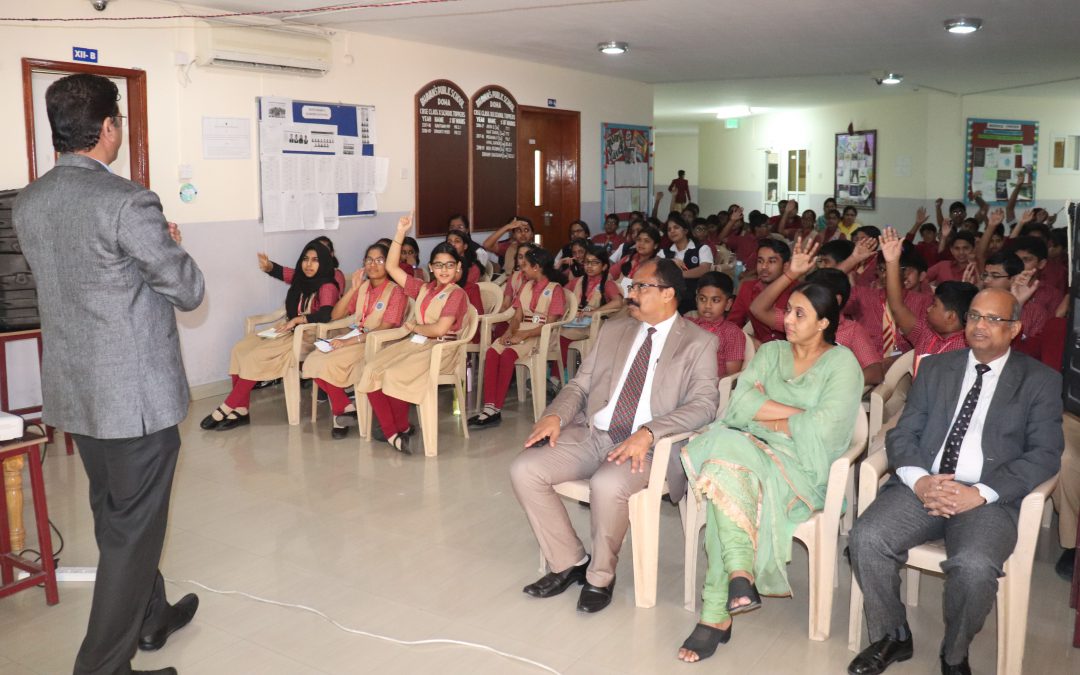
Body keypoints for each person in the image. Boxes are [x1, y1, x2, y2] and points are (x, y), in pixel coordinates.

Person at [13, 72, 205, 675]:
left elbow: (86, 280)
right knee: (132, 529)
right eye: (119, 122)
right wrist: (172, 244)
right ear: (107, 129)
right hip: (136, 400)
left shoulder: (29, 200)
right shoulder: (128, 200)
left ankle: (151, 615)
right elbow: (187, 289)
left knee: (116, 514)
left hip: (75, 392)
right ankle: (100, 668)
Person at [847, 288, 1063, 675]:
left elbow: (1045, 454)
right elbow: (903, 433)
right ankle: (893, 633)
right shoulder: (936, 368)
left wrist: (979, 493)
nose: (980, 326)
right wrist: (919, 482)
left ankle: (954, 652)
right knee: (867, 537)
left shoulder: (1039, 381)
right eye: (974, 316)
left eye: (992, 319)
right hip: (924, 485)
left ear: (1014, 328)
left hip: (988, 498)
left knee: (975, 566)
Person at [510, 259, 719, 614]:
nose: (631, 293)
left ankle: (600, 576)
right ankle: (569, 561)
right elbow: (581, 383)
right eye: (631, 286)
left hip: (648, 447)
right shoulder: (615, 329)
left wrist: (650, 432)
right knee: (525, 469)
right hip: (596, 433)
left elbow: (704, 405)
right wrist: (554, 415)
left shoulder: (699, 342)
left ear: (668, 294)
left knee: (606, 485)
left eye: (640, 287)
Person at [678, 282, 863, 662]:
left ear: (824, 322)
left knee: (722, 474)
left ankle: (717, 611)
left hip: (802, 466)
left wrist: (769, 419)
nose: (787, 320)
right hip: (748, 449)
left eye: (800, 314)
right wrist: (799, 417)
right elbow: (739, 403)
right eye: (788, 310)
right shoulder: (772, 351)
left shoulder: (842, 363)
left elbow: (828, 428)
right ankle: (738, 577)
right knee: (728, 459)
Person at [351, 214, 470, 454]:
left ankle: (396, 429)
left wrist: (414, 327)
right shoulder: (424, 288)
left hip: (440, 350)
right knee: (372, 368)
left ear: (458, 267)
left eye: (449, 265)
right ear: (430, 268)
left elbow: (439, 330)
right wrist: (400, 232)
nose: (444, 270)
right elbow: (392, 267)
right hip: (417, 344)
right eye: (438, 265)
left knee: (394, 373)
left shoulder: (456, 294)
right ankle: (395, 431)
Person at [201, 240, 341, 431]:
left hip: (309, 337)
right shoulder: (301, 278)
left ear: (324, 261)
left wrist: (298, 320)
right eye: (306, 259)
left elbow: (326, 315)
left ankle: (227, 406)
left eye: (315, 260)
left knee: (255, 357)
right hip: (289, 330)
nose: (309, 264)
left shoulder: (328, 285)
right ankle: (241, 410)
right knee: (240, 349)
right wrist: (269, 266)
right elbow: (284, 272)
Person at [302, 244, 408, 440]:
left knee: (327, 363)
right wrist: (354, 289)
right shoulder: (364, 288)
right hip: (356, 337)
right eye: (369, 260)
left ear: (389, 263)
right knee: (313, 359)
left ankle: (341, 413)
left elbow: (386, 328)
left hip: (379, 343)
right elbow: (336, 314)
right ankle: (345, 407)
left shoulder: (396, 291)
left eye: (379, 260)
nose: (373, 265)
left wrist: (349, 342)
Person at [748, 237, 884, 386]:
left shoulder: (852, 331)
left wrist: (837, 382)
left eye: (814, 295)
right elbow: (757, 309)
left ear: (836, 300)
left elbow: (876, 371)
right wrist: (791, 274)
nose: (807, 299)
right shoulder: (799, 320)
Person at [470, 248, 568, 428]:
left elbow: (550, 324)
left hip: (541, 334)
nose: (522, 270)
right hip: (521, 330)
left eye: (525, 266)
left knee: (507, 355)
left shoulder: (555, 290)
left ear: (536, 267)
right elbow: (517, 317)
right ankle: (489, 406)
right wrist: (509, 333)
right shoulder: (525, 287)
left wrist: (524, 334)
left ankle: (496, 408)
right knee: (493, 351)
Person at [560, 244, 624, 367]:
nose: (589, 266)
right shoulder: (577, 281)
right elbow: (561, 294)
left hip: (594, 325)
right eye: (587, 262)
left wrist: (593, 312)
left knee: (561, 336)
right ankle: (557, 373)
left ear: (604, 266)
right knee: (554, 332)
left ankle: (559, 375)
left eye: (595, 263)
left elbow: (618, 302)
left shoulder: (607, 284)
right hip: (576, 322)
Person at [726, 239, 793, 344]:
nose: (764, 267)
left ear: (786, 266)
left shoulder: (798, 291)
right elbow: (732, 326)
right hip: (759, 351)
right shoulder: (747, 288)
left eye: (772, 261)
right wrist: (752, 341)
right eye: (760, 261)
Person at [686, 271, 746, 376]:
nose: (707, 305)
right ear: (696, 299)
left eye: (715, 300)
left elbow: (731, 377)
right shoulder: (688, 325)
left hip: (711, 387)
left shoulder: (732, 333)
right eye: (702, 299)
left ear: (728, 304)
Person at [662, 212, 713, 314]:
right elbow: (654, 265)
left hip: (694, 298)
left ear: (685, 230)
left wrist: (678, 274)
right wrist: (671, 261)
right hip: (669, 298)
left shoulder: (701, 249)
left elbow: (704, 269)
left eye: (676, 227)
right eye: (669, 229)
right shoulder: (664, 252)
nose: (672, 231)